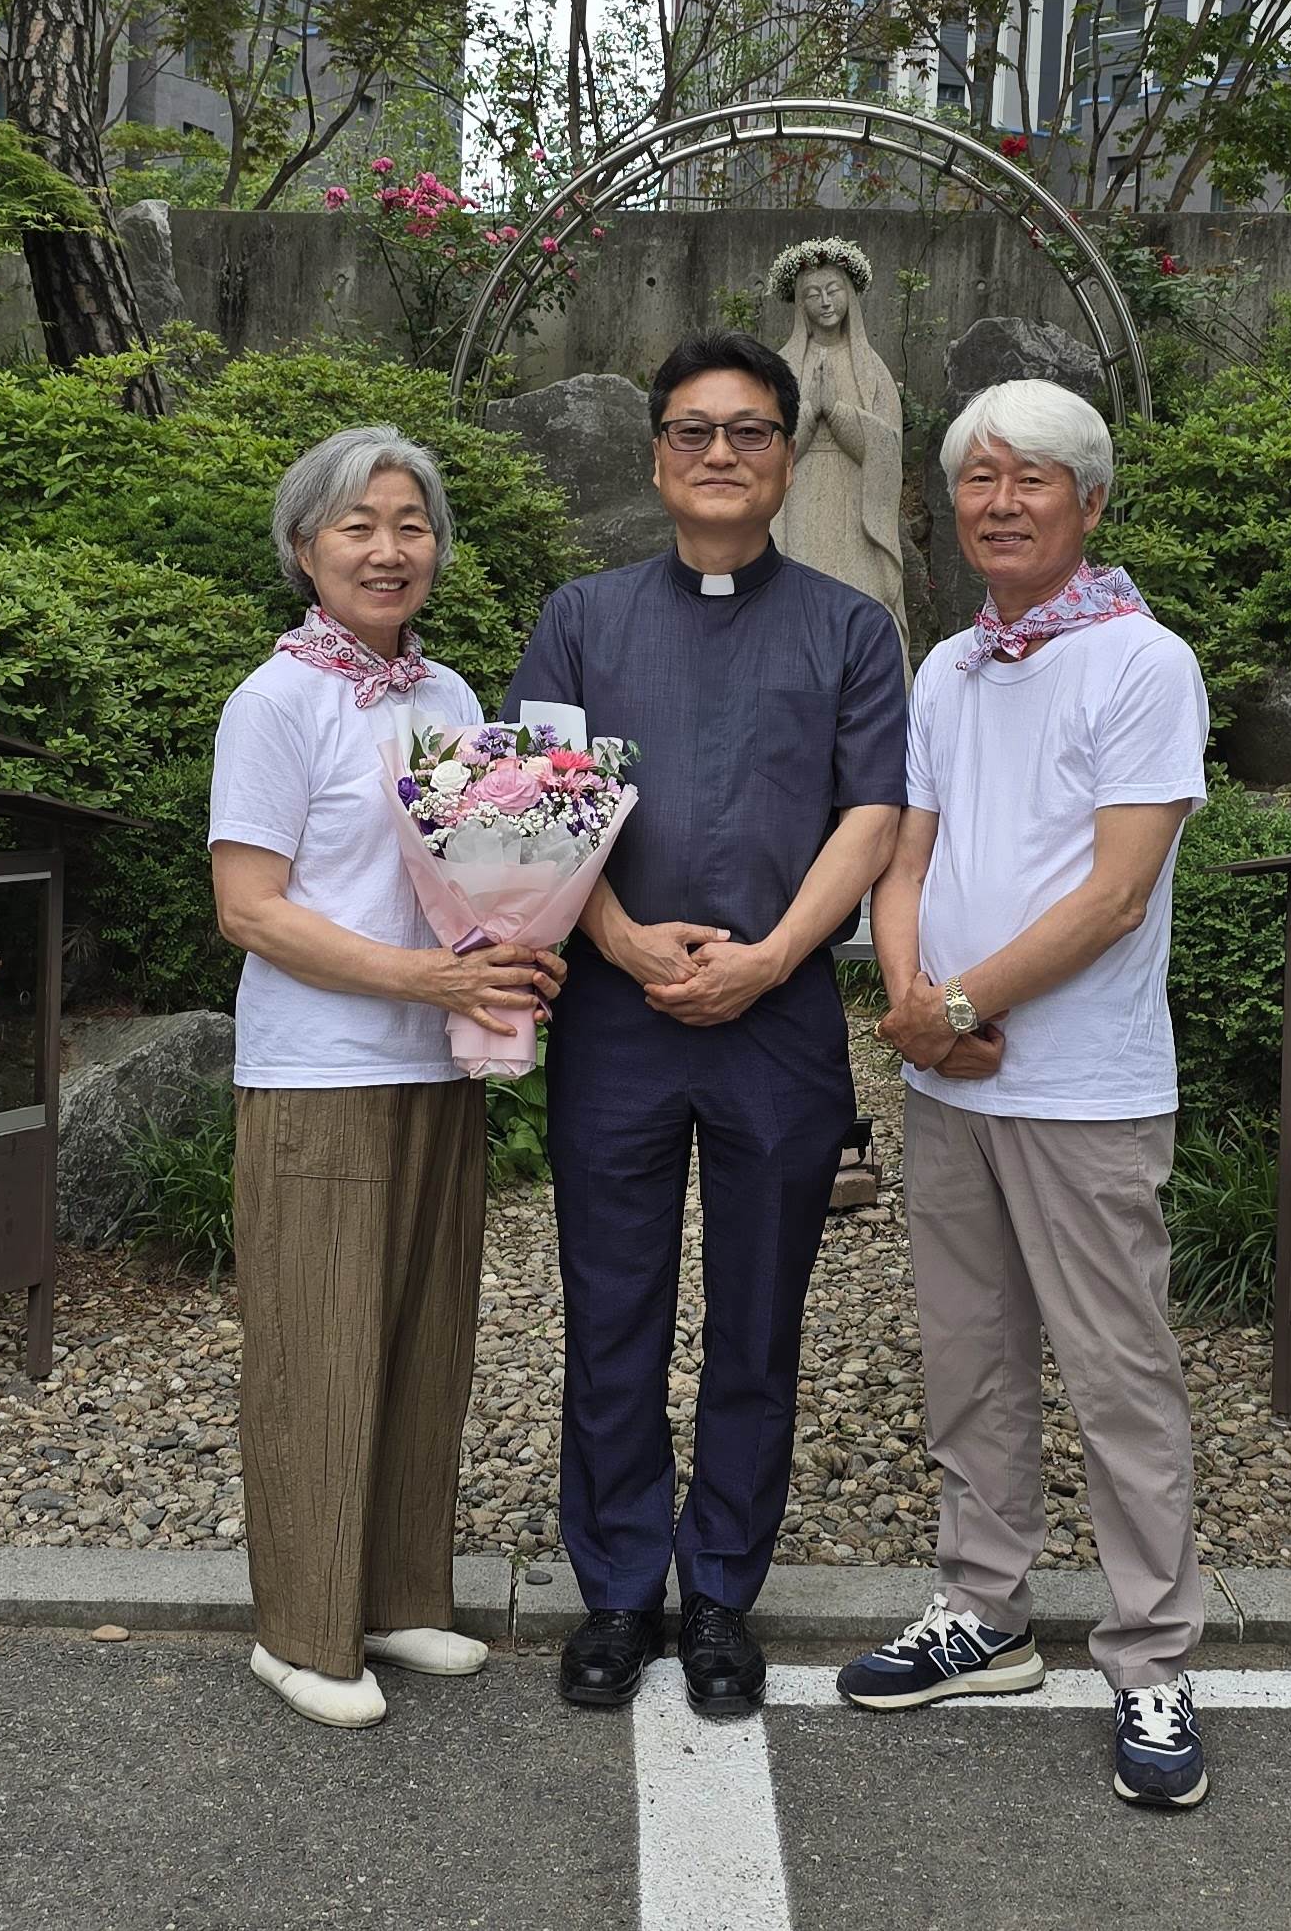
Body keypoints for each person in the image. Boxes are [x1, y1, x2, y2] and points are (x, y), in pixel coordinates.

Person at [507, 329, 907, 1718]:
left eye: (749, 431)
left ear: (788, 457)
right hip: (616, 1017)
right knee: (612, 1305)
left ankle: (723, 1584)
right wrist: (615, 934)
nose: (720, 452)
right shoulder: (581, 618)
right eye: (693, 429)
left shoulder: (850, 628)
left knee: (758, 1314)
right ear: (657, 458)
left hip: (777, 1016)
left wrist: (779, 954)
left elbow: (873, 810)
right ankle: (620, 1587)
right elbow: (530, 803)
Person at [837, 378, 1212, 1811]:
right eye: (979, 479)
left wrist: (958, 1007)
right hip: (954, 1084)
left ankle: (1153, 1655)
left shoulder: (1142, 662)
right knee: (969, 1361)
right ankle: (984, 1608)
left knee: (1120, 1380)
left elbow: (1116, 894)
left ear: (1091, 502)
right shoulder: (949, 666)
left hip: (1084, 1088)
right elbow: (906, 854)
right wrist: (915, 1007)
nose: (1000, 502)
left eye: (1032, 478)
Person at [210, 425, 562, 1730]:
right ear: (306, 547)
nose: (388, 548)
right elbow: (249, 909)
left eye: (411, 524)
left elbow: (479, 876)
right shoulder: (276, 701)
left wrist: (516, 949)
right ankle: (301, 1630)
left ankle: (401, 1591)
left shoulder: (452, 696)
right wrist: (429, 979)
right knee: (319, 1345)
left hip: (439, 1061)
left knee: (423, 1332)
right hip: (319, 1069)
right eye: (358, 524)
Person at [770, 235, 910, 662]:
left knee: (861, 605)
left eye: (834, 290)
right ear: (800, 304)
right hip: (799, 498)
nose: (826, 302)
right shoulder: (781, 367)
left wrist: (839, 412)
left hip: (857, 504)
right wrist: (810, 412)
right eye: (813, 294)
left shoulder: (872, 370)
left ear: (850, 294)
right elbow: (764, 447)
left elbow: (888, 448)